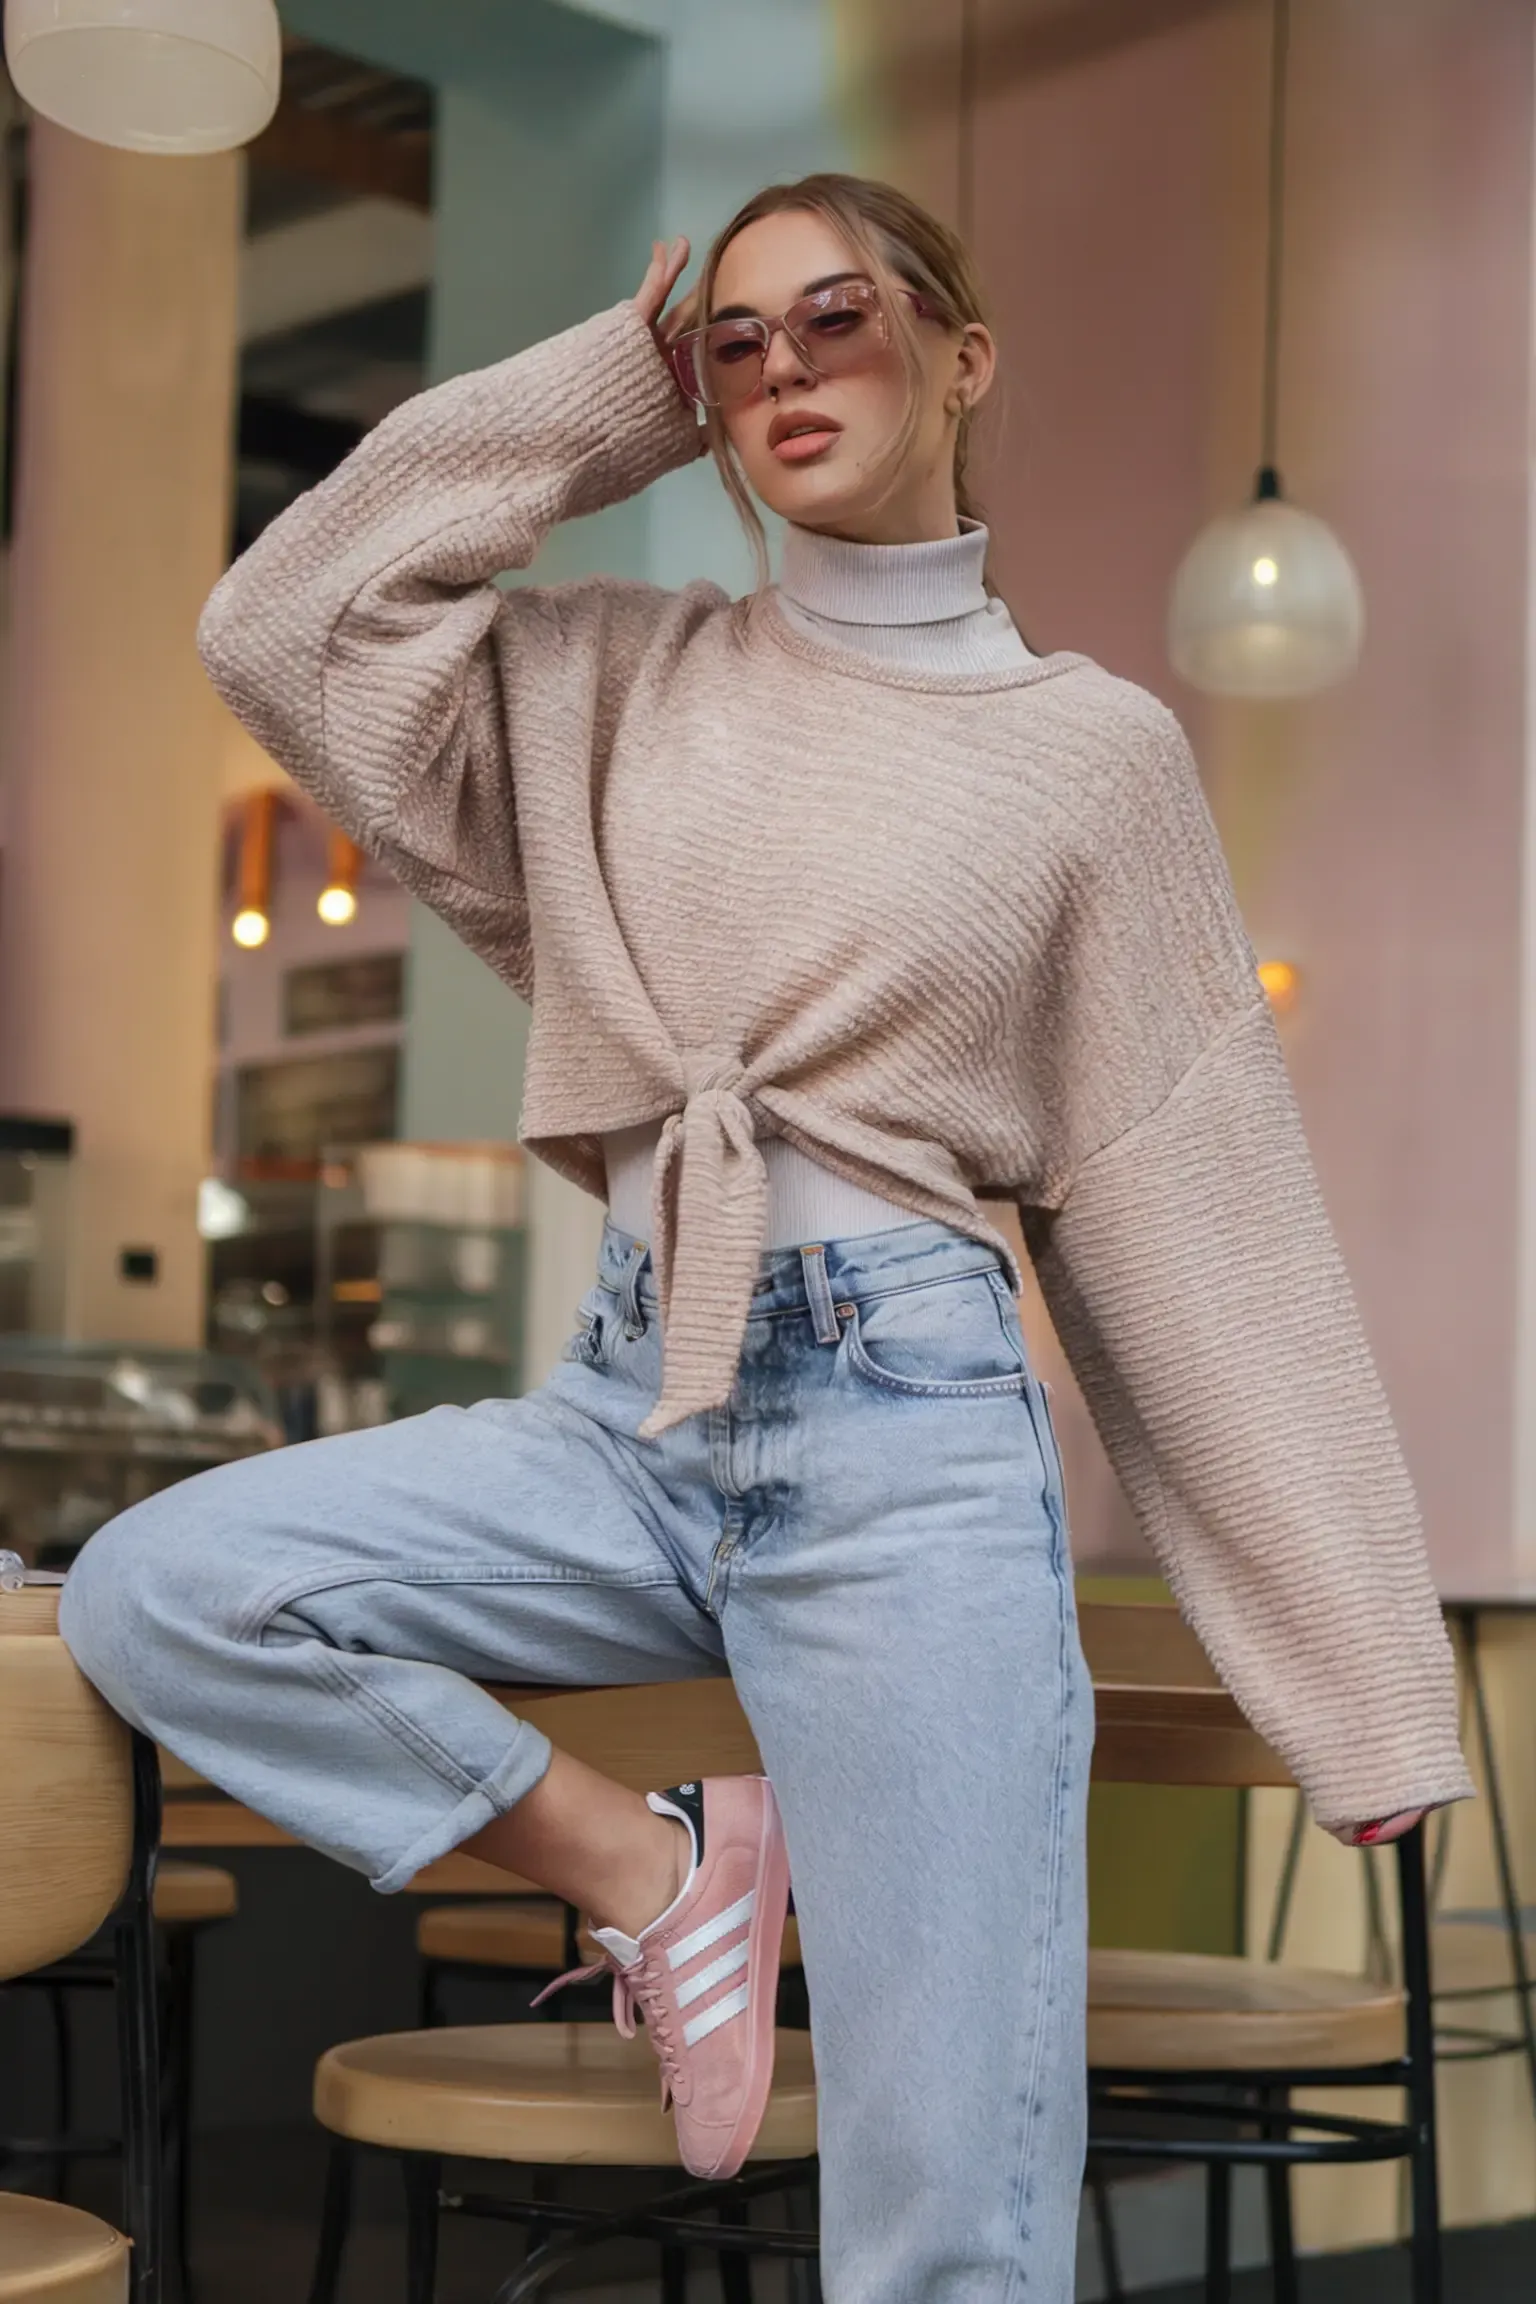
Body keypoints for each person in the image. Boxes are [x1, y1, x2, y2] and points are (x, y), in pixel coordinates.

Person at [59, 173, 1472, 2298]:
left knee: (947, 2205)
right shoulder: (607, 679)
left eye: (838, 318)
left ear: (964, 355)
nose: (786, 366)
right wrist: (600, 401)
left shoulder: (1092, 761)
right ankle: (654, 1883)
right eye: (736, 344)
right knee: (166, 1585)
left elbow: (1205, 1218)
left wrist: (1362, 1688)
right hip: (630, 1412)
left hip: (906, 1438)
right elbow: (282, 628)